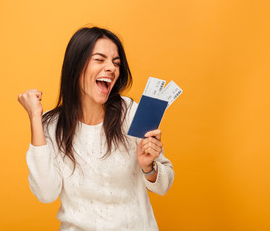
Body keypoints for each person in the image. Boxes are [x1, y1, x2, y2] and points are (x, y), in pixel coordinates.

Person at [17, 27, 174, 231]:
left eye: (116, 62)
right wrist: (35, 119)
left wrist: (148, 167)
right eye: (100, 60)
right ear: (76, 66)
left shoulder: (131, 113)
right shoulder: (51, 125)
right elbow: (46, 194)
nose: (111, 68)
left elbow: (163, 185)